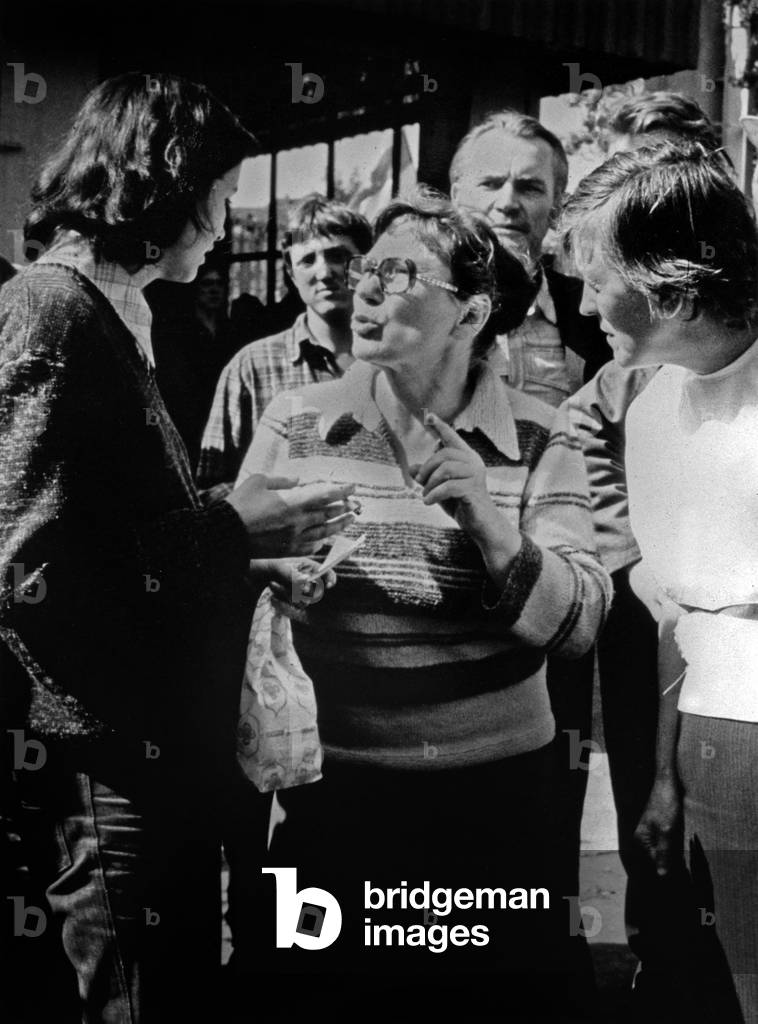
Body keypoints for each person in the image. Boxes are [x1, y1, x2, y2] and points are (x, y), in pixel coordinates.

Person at [0, 72, 355, 1023]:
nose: (228, 219)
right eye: (224, 193)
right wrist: (237, 525)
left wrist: (248, 560)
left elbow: (114, 537)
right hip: (106, 765)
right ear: (169, 180)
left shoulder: (116, 310)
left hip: (151, 757)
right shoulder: (54, 309)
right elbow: (27, 567)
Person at [236, 186, 611, 1020]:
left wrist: (490, 524)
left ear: (472, 313)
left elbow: (581, 623)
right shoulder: (297, 422)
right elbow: (236, 575)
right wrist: (275, 578)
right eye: (365, 269)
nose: (362, 289)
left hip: (494, 811)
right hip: (336, 803)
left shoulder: (542, 435)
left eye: (396, 274)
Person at [563, 140, 758, 1023]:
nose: (580, 301)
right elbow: (677, 615)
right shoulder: (648, 409)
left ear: (672, 280)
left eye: (594, 274)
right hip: (718, 742)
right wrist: (666, 778)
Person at [450, 111, 611, 967]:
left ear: (556, 209)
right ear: (455, 194)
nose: (509, 202)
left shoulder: (598, 316)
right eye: (491, 182)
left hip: (550, 599)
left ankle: (536, 965)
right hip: (419, 625)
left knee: (545, 810)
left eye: (531, 187)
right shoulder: (401, 303)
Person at [197, 194, 371, 493]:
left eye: (337, 256)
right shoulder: (251, 367)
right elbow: (210, 494)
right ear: (291, 273)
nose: (324, 272)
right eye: (307, 260)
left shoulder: (396, 361)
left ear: (364, 265)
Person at [152, 261, 243, 470]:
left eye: (219, 284)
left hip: (224, 417)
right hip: (191, 422)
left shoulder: (231, 332)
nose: (214, 290)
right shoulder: (181, 333)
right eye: (207, 284)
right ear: (195, 289)